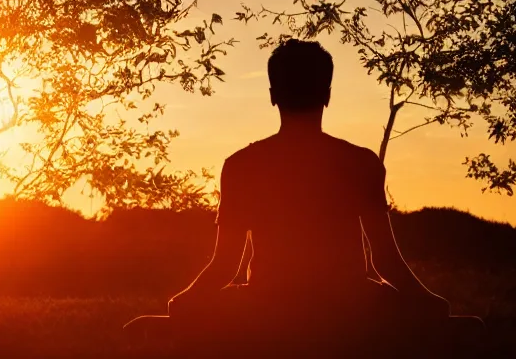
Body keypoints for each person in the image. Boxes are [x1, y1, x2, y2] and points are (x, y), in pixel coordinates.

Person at [163, 39, 451, 352]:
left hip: (268, 307)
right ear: (327, 95)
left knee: (169, 324)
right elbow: (385, 260)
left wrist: (182, 301)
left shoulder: (241, 165)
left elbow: (225, 266)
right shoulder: (360, 162)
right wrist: (429, 301)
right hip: (349, 308)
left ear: (273, 97)